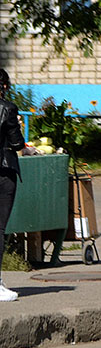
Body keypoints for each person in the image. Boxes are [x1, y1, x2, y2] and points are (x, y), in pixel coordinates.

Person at [0, 68, 27, 301]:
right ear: (4, 86)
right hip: (3, 171)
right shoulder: (7, 108)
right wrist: (16, 124)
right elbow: (17, 143)